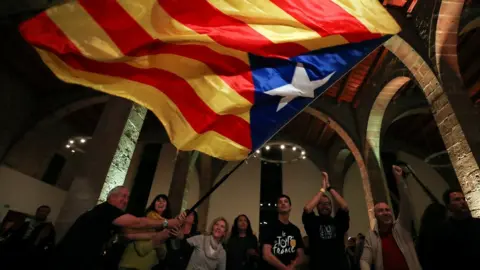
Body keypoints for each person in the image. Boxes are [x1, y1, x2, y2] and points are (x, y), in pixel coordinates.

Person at [52, 186, 185, 270]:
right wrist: (167, 224)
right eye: (123, 196)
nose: (126, 200)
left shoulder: (109, 213)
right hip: (70, 259)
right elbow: (137, 223)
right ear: (111, 196)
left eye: (128, 197)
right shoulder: (107, 209)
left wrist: (166, 234)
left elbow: (129, 235)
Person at [360, 165, 421, 270]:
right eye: (381, 211)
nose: (385, 213)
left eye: (387, 210)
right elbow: (364, 260)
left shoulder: (401, 227)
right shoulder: (371, 236)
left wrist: (400, 180)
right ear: (375, 215)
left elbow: (406, 203)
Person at [303, 172, 350, 270]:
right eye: (321, 204)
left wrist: (329, 188)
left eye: (328, 203)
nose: (325, 205)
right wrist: (322, 189)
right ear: (316, 206)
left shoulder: (337, 222)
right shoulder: (313, 222)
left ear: (331, 207)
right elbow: (307, 208)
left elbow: (345, 206)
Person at [119, 194, 173, 270]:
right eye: (158, 200)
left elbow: (162, 255)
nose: (160, 203)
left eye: (163, 201)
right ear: (154, 203)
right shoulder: (145, 221)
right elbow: (141, 249)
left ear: (167, 206)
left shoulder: (166, 226)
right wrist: (158, 240)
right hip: (131, 266)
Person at [430, 188, 480, 269]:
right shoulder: (443, 231)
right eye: (457, 200)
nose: (462, 202)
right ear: (449, 206)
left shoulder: (478, 224)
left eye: (463, 199)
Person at [0, 205, 56, 270]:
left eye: (46, 212)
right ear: (37, 212)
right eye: (42, 211)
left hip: (30, 255)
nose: (43, 213)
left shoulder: (48, 228)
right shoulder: (26, 223)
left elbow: (49, 244)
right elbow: (15, 235)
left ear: (47, 214)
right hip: (16, 249)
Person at [262, 194, 305, 270]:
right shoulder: (269, 227)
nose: (283, 203)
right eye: (280, 202)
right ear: (277, 208)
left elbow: (301, 255)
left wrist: (293, 265)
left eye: (286, 201)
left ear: (290, 207)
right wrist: (285, 268)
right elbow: (266, 255)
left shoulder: (295, 230)